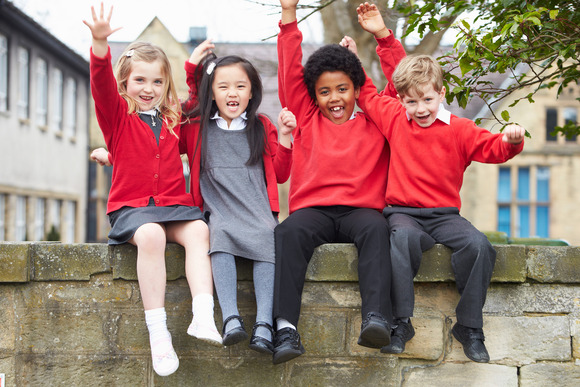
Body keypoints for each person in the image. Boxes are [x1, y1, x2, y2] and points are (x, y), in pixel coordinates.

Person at [355, 2, 526, 363]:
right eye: (412, 101)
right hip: (403, 213)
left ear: (442, 93)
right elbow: (367, 93)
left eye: (428, 99)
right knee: (399, 240)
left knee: (479, 245)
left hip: (445, 215)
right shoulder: (394, 119)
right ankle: (401, 322)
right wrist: (370, 46)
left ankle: (469, 327)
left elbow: (492, 148)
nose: (420, 108)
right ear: (400, 100)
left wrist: (511, 141)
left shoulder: (460, 130)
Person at [84, 3, 220, 377]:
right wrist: (99, 44)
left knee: (200, 231)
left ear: (166, 85)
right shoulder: (118, 117)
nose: (148, 89)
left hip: (175, 206)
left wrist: (192, 64)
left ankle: (203, 314)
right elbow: (100, 85)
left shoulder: (173, 118)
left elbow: (195, 99)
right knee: (150, 236)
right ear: (126, 83)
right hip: (133, 209)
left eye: (157, 82)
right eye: (139, 81)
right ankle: (158, 335)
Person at [271, 0, 402, 365]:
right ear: (313, 95)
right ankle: (285, 328)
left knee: (379, 229)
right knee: (286, 233)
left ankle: (376, 317)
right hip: (313, 211)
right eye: (325, 91)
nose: (334, 98)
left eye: (342, 89)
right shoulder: (307, 118)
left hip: (361, 211)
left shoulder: (376, 119)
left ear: (356, 89)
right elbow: (289, 72)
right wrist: (287, 14)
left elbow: (401, 82)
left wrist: (382, 35)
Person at [179, 40, 295, 354]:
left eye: (240, 86)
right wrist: (193, 69)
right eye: (224, 86)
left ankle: (263, 325)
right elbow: (183, 108)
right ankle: (230, 317)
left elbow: (282, 173)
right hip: (220, 212)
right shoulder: (195, 127)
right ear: (211, 91)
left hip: (258, 212)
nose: (233, 93)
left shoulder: (262, 127)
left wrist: (285, 138)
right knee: (218, 234)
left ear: (252, 91)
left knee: (268, 237)